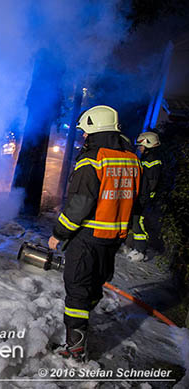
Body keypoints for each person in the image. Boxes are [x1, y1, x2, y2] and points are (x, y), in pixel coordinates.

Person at [48, 105, 141, 361]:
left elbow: (80, 203)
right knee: (94, 285)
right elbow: (137, 200)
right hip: (112, 239)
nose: (83, 137)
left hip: (87, 236)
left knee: (77, 289)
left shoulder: (93, 159)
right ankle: (81, 330)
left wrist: (60, 233)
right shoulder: (132, 159)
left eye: (85, 132)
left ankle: (75, 348)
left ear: (93, 130)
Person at [131, 131, 162, 254]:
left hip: (144, 198)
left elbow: (151, 184)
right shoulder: (148, 159)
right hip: (141, 197)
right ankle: (134, 247)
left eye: (141, 146)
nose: (139, 148)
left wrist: (143, 198)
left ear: (148, 145)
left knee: (138, 223)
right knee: (134, 221)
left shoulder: (152, 161)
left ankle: (140, 250)